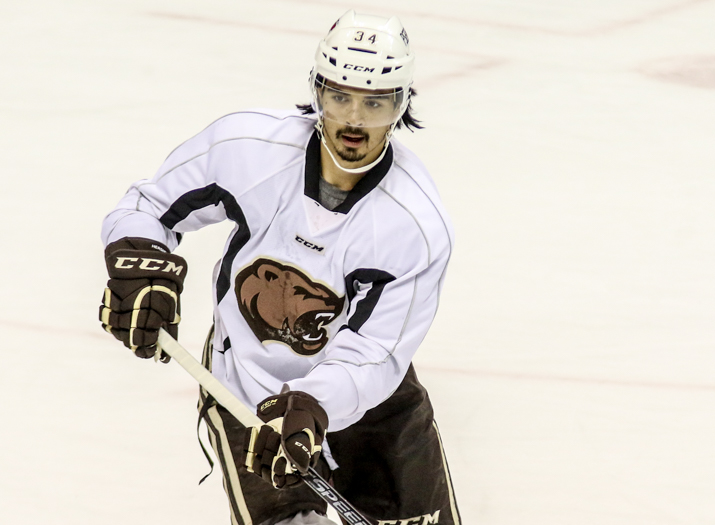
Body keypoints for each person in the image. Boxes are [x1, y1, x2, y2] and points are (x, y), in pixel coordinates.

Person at [98, 10, 460, 525]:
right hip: (248, 387)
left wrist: (313, 402)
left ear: (400, 105)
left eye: (375, 103)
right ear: (317, 92)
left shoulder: (414, 223)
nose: (355, 120)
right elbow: (147, 207)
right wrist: (140, 260)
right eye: (341, 97)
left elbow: (374, 354)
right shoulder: (250, 150)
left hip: (367, 392)